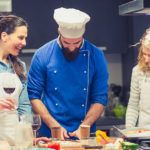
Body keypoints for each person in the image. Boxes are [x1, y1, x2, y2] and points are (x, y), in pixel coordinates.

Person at [27, 7, 109, 140]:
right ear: (59, 32)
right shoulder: (42, 54)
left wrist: (84, 126)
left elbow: (100, 97)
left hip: (85, 134)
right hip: (49, 133)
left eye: (77, 43)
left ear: (83, 33)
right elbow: (34, 95)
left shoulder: (96, 55)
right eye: (66, 42)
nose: (71, 48)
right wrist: (55, 127)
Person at [0, 15, 32, 145]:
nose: (24, 43)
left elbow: (24, 106)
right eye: (20, 37)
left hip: (15, 141)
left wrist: (29, 137)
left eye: (25, 38)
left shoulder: (20, 66)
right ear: (4, 36)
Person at [126, 27, 150, 128]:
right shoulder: (137, 71)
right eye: (145, 54)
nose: (146, 60)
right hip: (144, 134)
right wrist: (129, 128)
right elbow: (133, 105)